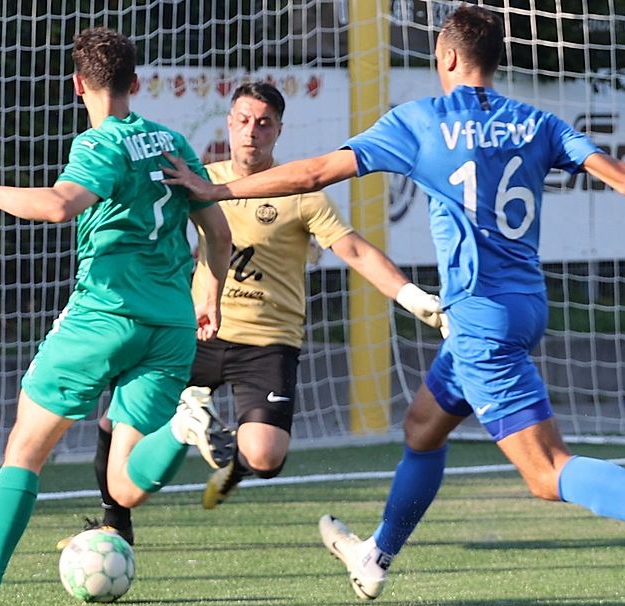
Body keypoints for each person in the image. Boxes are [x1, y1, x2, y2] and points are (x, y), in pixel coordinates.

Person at [163, 5, 625, 606]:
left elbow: (315, 172)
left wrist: (216, 189)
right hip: (523, 303)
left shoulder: (420, 121)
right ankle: (376, 557)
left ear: (446, 57)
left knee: (546, 472)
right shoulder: (536, 121)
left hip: (479, 316)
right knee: (423, 428)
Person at [0, 27, 233, 606]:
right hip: (171, 325)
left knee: (24, 450)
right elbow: (218, 235)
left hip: (102, 317)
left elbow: (59, 206)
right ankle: (185, 429)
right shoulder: (172, 142)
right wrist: (207, 296)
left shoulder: (98, 142)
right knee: (125, 484)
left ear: (78, 83)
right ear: (135, 83)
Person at [62, 80, 447, 548]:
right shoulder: (196, 179)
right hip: (196, 332)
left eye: (263, 123)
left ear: (278, 131)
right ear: (229, 123)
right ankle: (113, 521)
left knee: (266, 458)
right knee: (115, 423)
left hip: (267, 344)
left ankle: (234, 463)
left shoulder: (301, 194)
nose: (252, 132)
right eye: (243, 121)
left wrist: (411, 296)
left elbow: (356, 252)